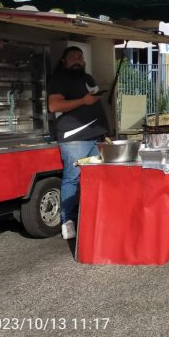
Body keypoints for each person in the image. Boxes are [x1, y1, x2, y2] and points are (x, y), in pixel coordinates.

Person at [47, 46, 109, 240]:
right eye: (72, 57)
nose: (77, 60)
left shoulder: (88, 78)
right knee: (72, 178)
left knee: (92, 178)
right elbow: (54, 105)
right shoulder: (59, 78)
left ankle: (90, 217)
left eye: (79, 57)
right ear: (64, 61)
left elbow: (95, 102)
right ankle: (67, 222)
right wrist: (83, 101)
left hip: (95, 135)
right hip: (74, 137)